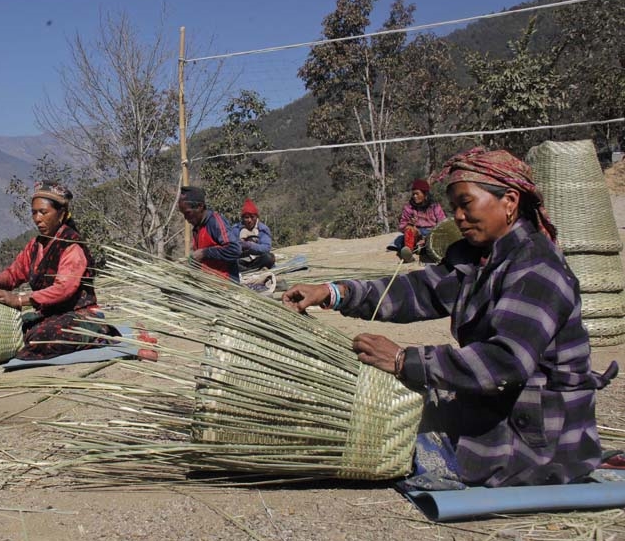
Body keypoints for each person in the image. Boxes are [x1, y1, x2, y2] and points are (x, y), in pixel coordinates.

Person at [281, 147, 617, 489]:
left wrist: (403, 360)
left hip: (542, 437)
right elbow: (416, 292)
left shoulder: (537, 268)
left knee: (396, 440)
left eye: (466, 204)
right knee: (390, 419)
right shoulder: (480, 260)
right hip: (503, 409)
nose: (457, 216)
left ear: (510, 201)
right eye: (454, 206)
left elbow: (503, 362)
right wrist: (333, 292)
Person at [0, 180, 117, 360]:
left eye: (43, 212)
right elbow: (13, 274)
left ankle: (97, 334)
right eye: (34, 213)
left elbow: (63, 289)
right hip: (50, 315)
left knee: (40, 339)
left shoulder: (71, 246)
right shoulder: (35, 245)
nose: (37, 218)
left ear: (61, 214)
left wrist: (19, 299)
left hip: (80, 315)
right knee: (10, 328)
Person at [177, 186, 241, 282]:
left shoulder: (215, 222)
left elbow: (235, 249)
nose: (186, 218)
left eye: (188, 213)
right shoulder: (197, 228)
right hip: (208, 282)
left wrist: (205, 253)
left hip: (225, 284)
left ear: (200, 207)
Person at [390, 178, 447, 262]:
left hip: (432, 233)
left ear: (425, 194)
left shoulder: (435, 206)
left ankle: (427, 250)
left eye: (417, 194)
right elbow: (402, 226)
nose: (414, 196)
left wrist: (427, 238)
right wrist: (409, 223)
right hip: (416, 234)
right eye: (413, 194)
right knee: (409, 229)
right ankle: (408, 254)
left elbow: (442, 224)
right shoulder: (409, 207)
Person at [237, 198, 276, 272]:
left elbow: (266, 248)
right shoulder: (236, 229)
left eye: (252, 217)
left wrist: (250, 245)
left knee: (269, 257)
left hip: (257, 260)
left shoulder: (263, 229)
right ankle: (250, 270)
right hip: (242, 260)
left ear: (256, 217)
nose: (249, 220)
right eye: (246, 217)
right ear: (242, 218)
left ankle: (248, 271)